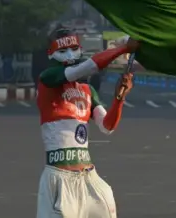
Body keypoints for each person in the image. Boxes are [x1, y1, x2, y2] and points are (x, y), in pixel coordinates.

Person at [36, 28, 137, 218]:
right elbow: (85, 68)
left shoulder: (88, 90)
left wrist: (119, 98)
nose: (69, 54)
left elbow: (107, 126)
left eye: (74, 48)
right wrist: (123, 49)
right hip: (60, 178)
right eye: (62, 50)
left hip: (90, 178)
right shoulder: (48, 79)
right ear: (51, 54)